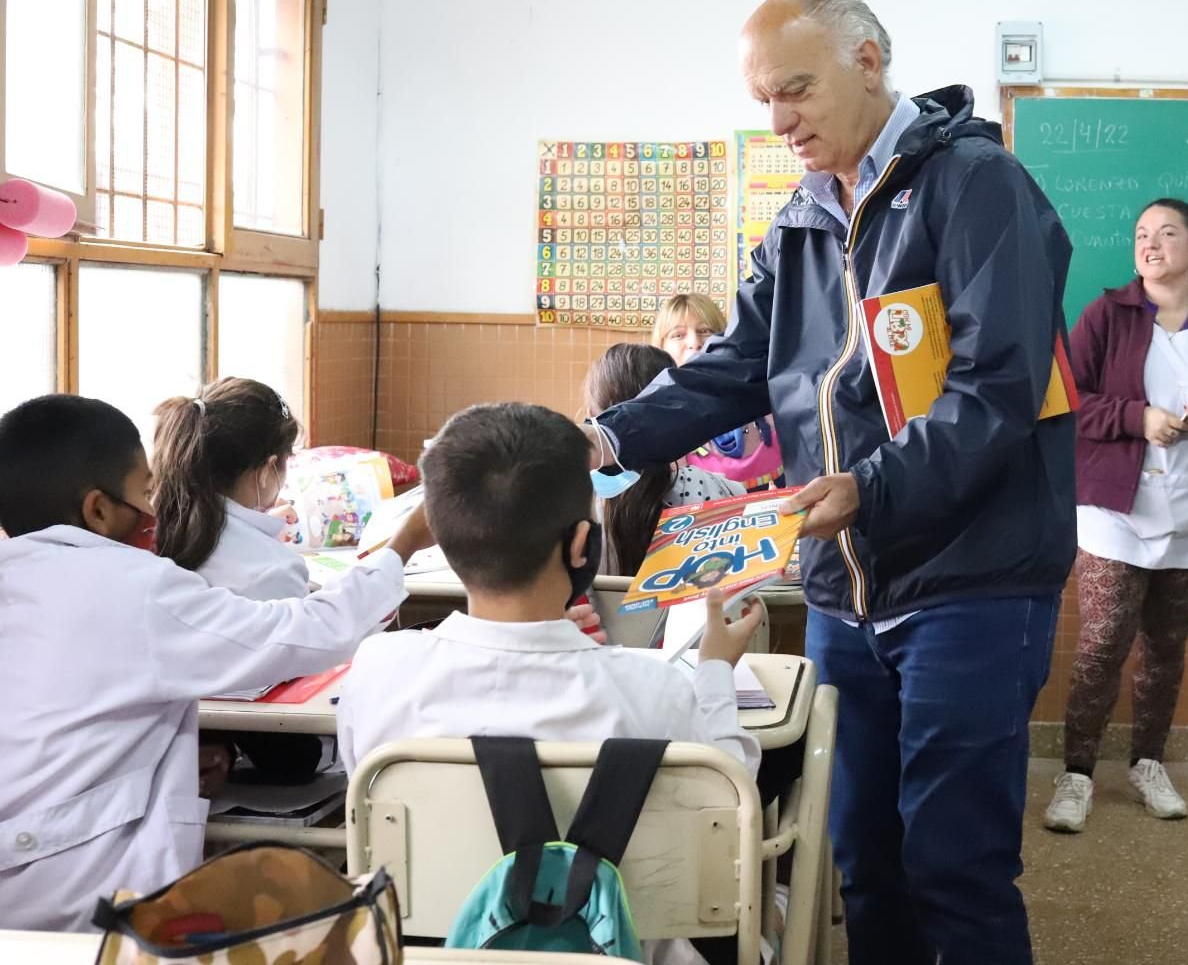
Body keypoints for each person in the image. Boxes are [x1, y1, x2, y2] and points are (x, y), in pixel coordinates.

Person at [585, 0, 1075, 964]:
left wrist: (872, 487)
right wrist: (606, 440)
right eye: (763, 99)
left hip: (969, 583)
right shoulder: (800, 219)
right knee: (861, 857)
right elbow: (735, 366)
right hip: (844, 594)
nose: (777, 121)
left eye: (794, 90)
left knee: (954, 863)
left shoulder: (974, 185)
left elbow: (996, 386)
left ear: (866, 61)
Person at [337, 402, 762, 965]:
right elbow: (732, 800)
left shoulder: (379, 669)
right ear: (582, 544)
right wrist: (713, 671)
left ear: (438, 534)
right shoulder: (651, 689)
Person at [0, 394, 431, 931]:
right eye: (146, 491)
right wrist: (404, 543)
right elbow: (306, 632)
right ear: (98, 508)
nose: (155, 510)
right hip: (77, 880)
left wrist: (181, 751)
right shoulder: (132, 589)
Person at [1043, 199, 1188, 832]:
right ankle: (1077, 774)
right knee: (1100, 648)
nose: (1151, 244)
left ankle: (1148, 763)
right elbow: (1066, 401)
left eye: (1168, 234)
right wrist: (1136, 418)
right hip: (1116, 517)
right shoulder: (1106, 315)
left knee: (1166, 651)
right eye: (1142, 234)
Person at [151, 377, 327, 792]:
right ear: (268, 469)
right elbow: (288, 689)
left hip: (158, 746)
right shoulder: (271, 568)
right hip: (241, 756)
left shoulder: (153, 527)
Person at [583, 343, 744, 575]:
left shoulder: (572, 504)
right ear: (680, 415)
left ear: (592, 415)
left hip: (595, 613)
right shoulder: (726, 493)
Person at [653, 294, 784, 492]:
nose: (695, 342)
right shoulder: (657, 423)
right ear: (661, 347)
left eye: (705, 331)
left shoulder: (766, 397)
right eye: (678, 335)